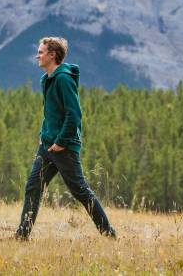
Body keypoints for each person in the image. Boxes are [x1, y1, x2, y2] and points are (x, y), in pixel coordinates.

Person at [14, 36, 116, 240]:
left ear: (52, 55)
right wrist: (44, 136)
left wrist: (61, 141)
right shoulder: (47, 79)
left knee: (80, 191)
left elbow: (74, 114)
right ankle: (22, 236)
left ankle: (109, 234)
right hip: (47, 145)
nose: (37, 56)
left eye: (40, 52)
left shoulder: (63, 79)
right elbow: (51, 113)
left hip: (64, 147)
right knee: (33, 187)